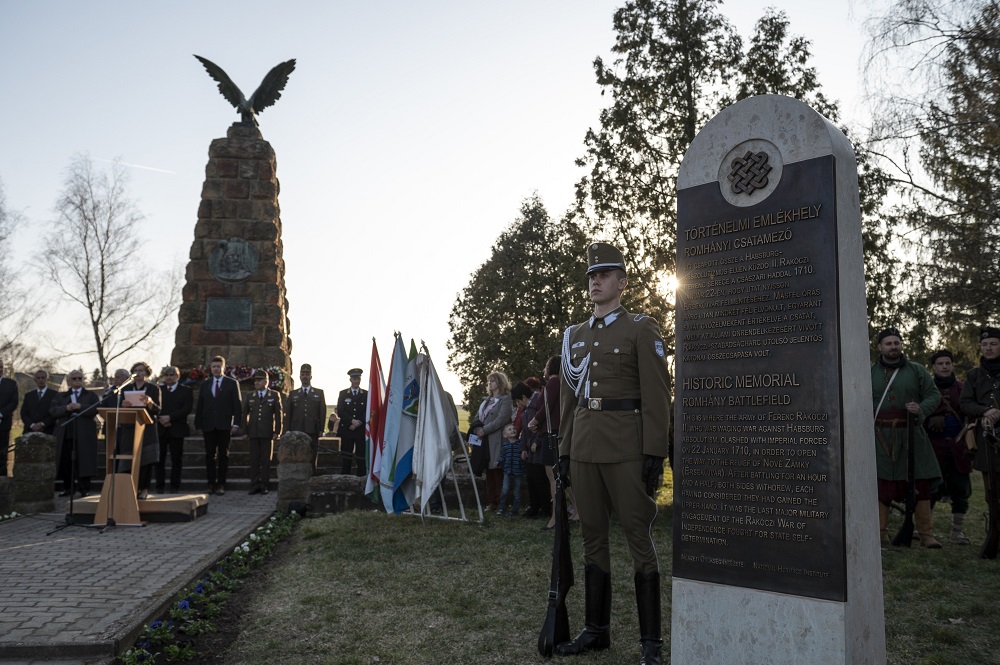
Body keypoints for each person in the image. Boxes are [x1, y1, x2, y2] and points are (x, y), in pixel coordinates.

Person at [555, 242, 671, 665]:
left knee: (638, 536)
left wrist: (655, 450)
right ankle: (596, 631)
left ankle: (650, 643)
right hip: (583, 444)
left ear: (622, 283)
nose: (596, 281)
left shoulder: (641, 328)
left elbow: (657, 393)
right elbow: (569, 400)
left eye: (604, 275)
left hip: (626, 445)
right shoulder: (574, 335)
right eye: (592, 276)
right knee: (592, 536)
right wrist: (564, 451)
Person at [872, 327, 943, 548]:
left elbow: (933, 395)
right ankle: (880, 532)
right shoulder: (868, 372)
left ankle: (926, 534)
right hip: (880, 436)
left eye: (897, 342)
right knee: (882, 483)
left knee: (920, 482)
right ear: (880, 347)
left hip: (912, 433)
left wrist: (920, 409)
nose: (893, 347)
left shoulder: (917, 370)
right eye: (888, 343)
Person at [925, 350, 973, 544]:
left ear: (952, 365)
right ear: (934, 367)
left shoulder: (962, 388)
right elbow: (918, 410)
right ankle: (925, 530)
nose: (944, 366)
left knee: (960, 489)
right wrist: (931, 417)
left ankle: (956, 532)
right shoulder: (926, 388)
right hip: (933, 447)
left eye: (947, 363)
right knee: (930, 489)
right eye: (940, 363)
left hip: (958, 448)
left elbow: (970, 412)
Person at [961, 327, 1000, 527]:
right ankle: (995, 531)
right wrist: (985, 411)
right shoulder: (974, 375)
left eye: (993, 344)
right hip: (986, 438)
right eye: (984, 344)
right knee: (991, 491)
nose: (988, 348)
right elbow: (965, 402)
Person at [109, 361, 161, 500]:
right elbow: (120, 408)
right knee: (127, 458)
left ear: (147, 373)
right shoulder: (126, 388)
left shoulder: (153, 388)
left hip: (147, 428)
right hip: (129, 428)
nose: (138, 373)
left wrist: (149, 402)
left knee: (146, 460)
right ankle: (128, 489)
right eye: (135, 370)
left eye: (141, 370)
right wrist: (123, 405)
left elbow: (158, 410)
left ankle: (143, 489)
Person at [194, 356, 242, 495]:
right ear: (211, 368)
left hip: (224, 425)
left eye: (218, 366)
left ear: (223, 368)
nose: (216, 369)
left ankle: (221, 484)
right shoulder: (205, 384)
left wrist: (236, 424)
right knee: (209, 455)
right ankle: (211, 484)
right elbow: (200, 405)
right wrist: (198, 424)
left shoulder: (232, 383)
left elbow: (237, 406)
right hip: (208, 425)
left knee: (223, 455)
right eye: (214, 366)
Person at [50, 370, 100, 496]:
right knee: (66, 461)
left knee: (84, 461)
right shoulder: (61, 396)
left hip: (84, 434)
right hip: (66, 433)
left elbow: (95, 409)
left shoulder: (90, 395)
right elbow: (53, 411)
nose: (77, 380)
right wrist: (66, 408)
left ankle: (84, 488)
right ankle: (68, 488)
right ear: (69, 381)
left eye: (79, 378)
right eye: (74, 378)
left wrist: (80, 406)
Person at [529, 355, 565, 530]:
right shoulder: (559, 383)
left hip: (552, 433)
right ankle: (575, 512)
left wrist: (534, 421)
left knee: (553, 478)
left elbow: (547, 407)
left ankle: (555, 518)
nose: (544, 369)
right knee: (559, 476)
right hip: (552, 431)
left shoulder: (553, 382)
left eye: (546, 366)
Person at [473, 371, 513, 511]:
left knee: (497, 471)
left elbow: (501, 420)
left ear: (500, 383)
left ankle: (501, 503)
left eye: (493, 381)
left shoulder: (506, 400)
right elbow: (477, 418)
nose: (490, 383)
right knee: (488, 471)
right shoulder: (486, 401)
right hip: (484, 441)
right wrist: (477, 429)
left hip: (497, 440)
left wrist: (484, 430)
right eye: (489, 381)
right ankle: (491, 502)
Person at [242, 369, 283, 495]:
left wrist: (277, 431)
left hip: (267, 433)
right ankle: (254, 484)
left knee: (266, 460)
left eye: (259, 380)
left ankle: (265, 484)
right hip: (253, 432)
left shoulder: (274, 395)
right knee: (254, 460)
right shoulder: (250, 395)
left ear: (266, 381)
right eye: (255, 380)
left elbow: (278, 415)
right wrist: (245, 431)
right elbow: (244, 414)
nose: (256, 383)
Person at [155, 366, 193, 493]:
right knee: (159, 459)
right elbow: (153, 407)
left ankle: (175, 486)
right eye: (166, 375)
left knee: (176, 459)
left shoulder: (186, 390)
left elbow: (186, 409)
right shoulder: (158, 390)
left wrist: (170, 418)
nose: (169, 377)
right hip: (160, 429)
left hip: (177, 429)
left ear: (178, 376)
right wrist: (161, 419)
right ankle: (159, 486)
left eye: (172, 375)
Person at [287, 363, 327, 471]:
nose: (305, 376)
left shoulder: (319, 393)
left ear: (311, 376)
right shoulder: (293, 394)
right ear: (300, 377)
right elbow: (289, 413)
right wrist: (288, 430)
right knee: (297, 453)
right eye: (303, 374)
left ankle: (312, 474)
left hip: (312, 429)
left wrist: (321, 429)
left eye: (307, 374)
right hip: (297, 429)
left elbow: (322, 412)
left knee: (312, 454)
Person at [335, 368, 366, 476]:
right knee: (346, 456)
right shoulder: (343, 394)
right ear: (350, 379)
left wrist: (359, 422)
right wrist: (351, 421)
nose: (356, 381)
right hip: (347, 429)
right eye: (354, 378)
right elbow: (340, 411)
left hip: (360, 430)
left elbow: (368, 411)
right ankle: (345, 477)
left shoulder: (366, 394)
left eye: (358, 378)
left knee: (361, 456)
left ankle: (362, 478)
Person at [496, 423, 526, 516]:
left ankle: (515, 510)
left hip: (518, 472)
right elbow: (502, 456)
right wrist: (498, 461)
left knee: (517, 492)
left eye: (513, 428)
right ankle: (501, 508)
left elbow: (523, 457)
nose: (513, 430)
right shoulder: (505, 445)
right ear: (505, 435)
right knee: (504, 490)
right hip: (507, 472)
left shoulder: (520, 444)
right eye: (509, 429)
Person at [20, 369, 57, 435]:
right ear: (35, 380)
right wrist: (32, 425)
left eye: (43, 378)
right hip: (30, 431)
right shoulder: (28, 396)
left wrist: (42, 424)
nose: (40, 380)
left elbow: (55, 413)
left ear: (47, 379)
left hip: (48, 431)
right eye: (38, 378)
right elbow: (24, 413)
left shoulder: (55, 395)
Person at [0, 359, 19, 476]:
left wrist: (1, 414)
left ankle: (2, 480)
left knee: (2, 455)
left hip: (3, 424)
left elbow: (13, 402)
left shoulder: (11, 384)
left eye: (1, 367)